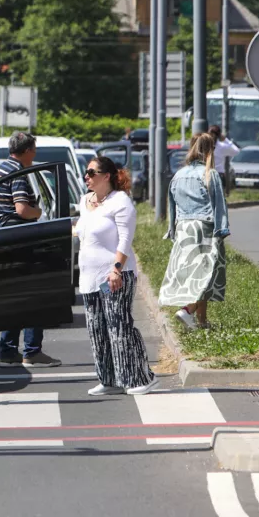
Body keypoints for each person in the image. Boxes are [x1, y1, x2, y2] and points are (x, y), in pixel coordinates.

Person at [73, 156, 158, 396]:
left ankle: (143, 377)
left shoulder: (120, 202)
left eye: (91, 172)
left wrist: (116, 269)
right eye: (86, 173)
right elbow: (83, 231)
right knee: (97, 330)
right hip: (89, 277)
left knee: (119, 327)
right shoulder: (85, 200)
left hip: (114, 275)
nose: (86, 177)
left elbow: (125, 239)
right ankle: (108, 379)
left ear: (106, 176)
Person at [0, 131, 62, 368]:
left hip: (6, 237)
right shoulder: (19, 172)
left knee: (13, 295)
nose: (35, 153)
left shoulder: (2, 168)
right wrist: (39, 212)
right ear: (28, 150)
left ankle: (8, 350)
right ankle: (32, 350)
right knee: (35, 295)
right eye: (34, 149)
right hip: (22, 238)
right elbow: (22, 210)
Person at [159, 133, 230, 330]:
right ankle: (187, 310)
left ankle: (202, 322)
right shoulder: (210, 174)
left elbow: (171, 206)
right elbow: (219, 205)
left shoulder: (178, 175)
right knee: (207, 273)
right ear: (209, 150)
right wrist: (222, 229)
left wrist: (172, 230)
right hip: (204, 228)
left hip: (183, 229)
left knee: (196, 274)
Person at [209, 124, 240, 192]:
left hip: (207, 174)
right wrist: (225, 139)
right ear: (219, 135)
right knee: (219, 199)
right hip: (218, 174)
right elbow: (236, 151)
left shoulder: (206, 145)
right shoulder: (222, 146)